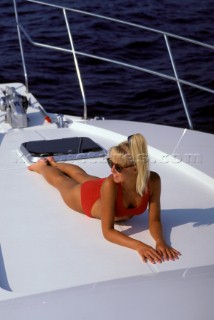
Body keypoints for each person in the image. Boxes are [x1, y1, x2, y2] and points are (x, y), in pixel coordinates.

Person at [28, 133, 181, 264]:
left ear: (136, 169)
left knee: (83, 176)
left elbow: (154, 220)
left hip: (109, 189)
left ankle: (55, 164)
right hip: (87, 199)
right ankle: (43, 166)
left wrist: (160, 242)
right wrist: (139, 246)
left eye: (118, 167)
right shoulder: (112, 182)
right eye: (110, 163)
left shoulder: (153, 181)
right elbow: (108, 232)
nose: (111, 169)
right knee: (62, 182)